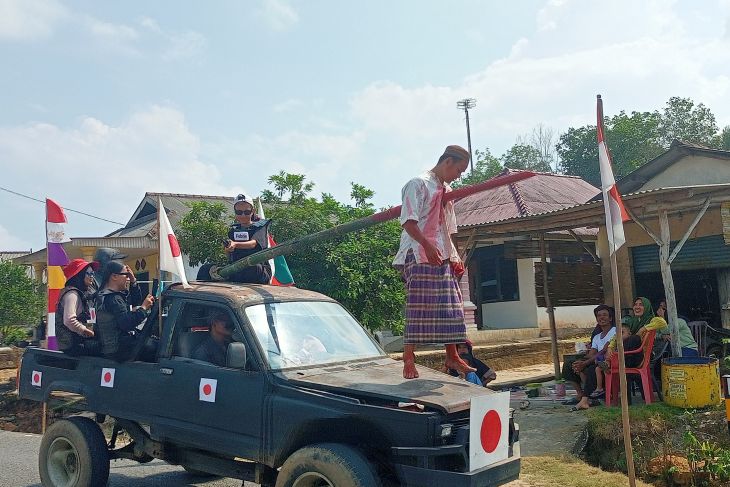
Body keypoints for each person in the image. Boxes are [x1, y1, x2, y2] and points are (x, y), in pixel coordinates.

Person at [393, 145, 475, 379]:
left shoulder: (446, 190)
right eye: (458, 170)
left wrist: (455, 256)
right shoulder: (417, 184)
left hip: (441, 254)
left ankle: (452, 355)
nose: (458, 176)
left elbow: (448, 229)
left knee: (451, 308)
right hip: (418, 252)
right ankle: (408, 358)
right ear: (447, 162)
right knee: (419, 306)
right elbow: (409, 223)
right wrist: (427, 246)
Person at [95, 261, 155, 361]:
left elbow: (135, 301)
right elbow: (126, 323)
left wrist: (133, 281)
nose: (128, 278)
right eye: (126, 275)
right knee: (157, 348)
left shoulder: (105, 295)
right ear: (114, 276)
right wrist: (144, 308)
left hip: (115, 347)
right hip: (119, 349)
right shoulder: (113, 299)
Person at [561, 304, 616, 408]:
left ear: (610, 318)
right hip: (596, 359)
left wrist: (585, 363)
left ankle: (590, 397)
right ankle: (580, 395)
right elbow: (592, 354)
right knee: (569, 364)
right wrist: (579, 362)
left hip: (607, 362)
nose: (602, 317)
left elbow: (604, 350)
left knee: (591, 368)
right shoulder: (596, 337)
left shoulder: (615, 331)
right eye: (599, 316)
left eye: (605, 315)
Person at [221, 194, 272, 284]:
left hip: (258, 270)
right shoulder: (233, 230)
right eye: (239, 212)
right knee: (206, 269)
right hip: (237, 268)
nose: (243, 215)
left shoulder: (260, 227)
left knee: (251, 267)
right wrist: (228, 248)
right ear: (235, 212)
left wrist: (235, 244)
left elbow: (253, 243)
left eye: (247, 212)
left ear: (253, 211)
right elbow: (229, 254)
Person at [56, 258, 100, 356]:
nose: (92, 277)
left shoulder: (85, 294)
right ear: (79, 276)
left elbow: (91, 316)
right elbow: (69, 320)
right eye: (88, 273)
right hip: (72, 345)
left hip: (79, 341)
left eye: (93, 273)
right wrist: (85, 330)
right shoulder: (72, 294)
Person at [591, 323, 643, 399]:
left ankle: (607, 366)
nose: (619, 336)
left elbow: (630, 355)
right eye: (617, 334)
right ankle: (599, 388)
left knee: (607, 366)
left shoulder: (632, 340)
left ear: (629, 333)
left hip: (624, 362)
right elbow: (611, 348)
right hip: (614, 361)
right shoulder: (616, 342)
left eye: (622, 333)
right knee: (598, 369)